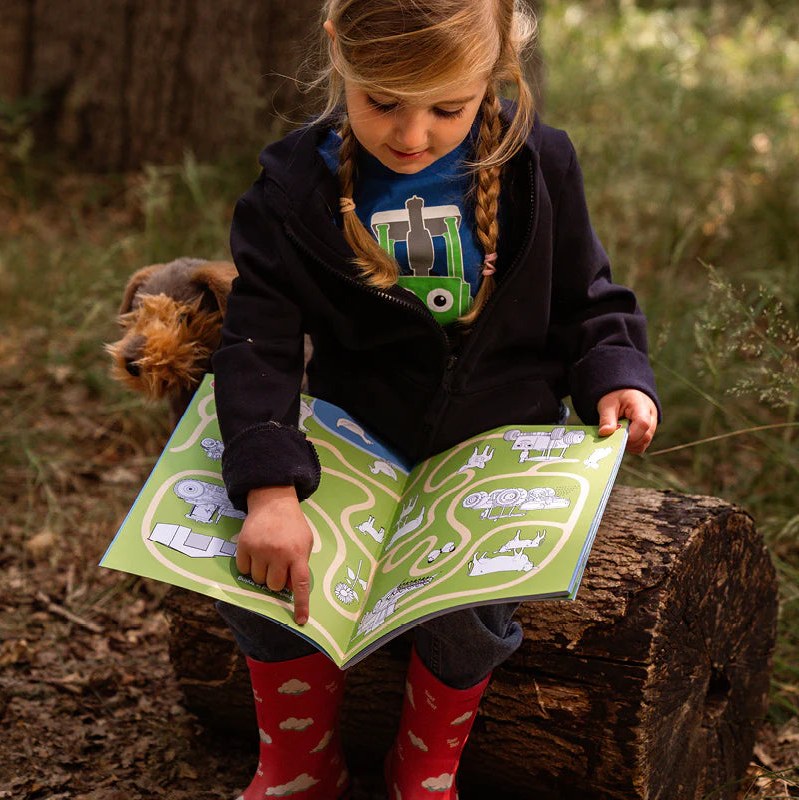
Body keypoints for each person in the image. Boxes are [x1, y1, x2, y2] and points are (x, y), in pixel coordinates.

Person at [212, 0, 660, 798]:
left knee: (467, 606)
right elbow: (258, 345)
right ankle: (300, 767)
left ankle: (423, 771)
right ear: (338, 55)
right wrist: (270, 485)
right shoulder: (292, 188)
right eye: (382, 101)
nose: (413, 136)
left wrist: (617, 371)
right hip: (355, 436)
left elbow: (591, 296)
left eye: (447, 109)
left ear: (495, 70)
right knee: (263, 575)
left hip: (499, 438)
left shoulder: (538, 167)